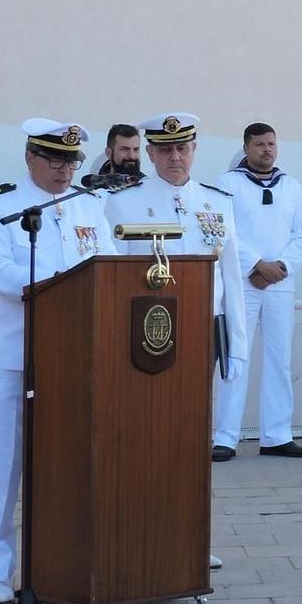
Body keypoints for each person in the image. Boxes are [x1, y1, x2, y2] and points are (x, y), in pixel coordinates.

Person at [0, 119, 109, 604]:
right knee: (2, 464)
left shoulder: (90, 205)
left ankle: (63, 564)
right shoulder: (1, 204)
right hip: (15, 354)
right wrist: (54, 287)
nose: (65, 169)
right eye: (55, 159)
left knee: (70, 463)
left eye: (72, 161)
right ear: (30, 156)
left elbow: (105, 264)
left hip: (76, 356)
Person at [106, 114, 250, 475]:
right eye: (165, 149)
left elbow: (230, 276)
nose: (175, 157)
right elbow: (111, 273)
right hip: (146, 327)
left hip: (203, 322)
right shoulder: (124, 203)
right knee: (149, 409)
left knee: (196, 410)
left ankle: (188, 473)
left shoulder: (217, 202)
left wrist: (238, 339)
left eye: (182, 149)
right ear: (151, 154)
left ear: (194, 150)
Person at [212, 122, 302, 460]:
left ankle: (276, 435)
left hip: (280, 285)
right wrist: (256, 265)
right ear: (246, 148)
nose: (267, 150)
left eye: (271, 144)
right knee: (235, 358)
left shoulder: (292, 187)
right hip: (241, 284)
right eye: (259, 145)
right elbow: (223, 232)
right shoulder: (227, 185)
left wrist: (279, 268)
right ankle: (225, 437)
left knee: (279, 360)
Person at [80, 123, 142, 190]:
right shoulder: (96, 187)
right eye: (124, 149)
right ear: (109, 152)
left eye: (136, 149)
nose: (131, 156)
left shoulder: (147, 188)